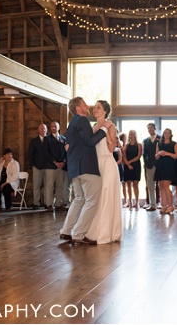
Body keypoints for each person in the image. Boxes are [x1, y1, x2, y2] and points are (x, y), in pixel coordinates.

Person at [59, 97, 109, 244]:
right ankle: (78, 234)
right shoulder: (82, 120)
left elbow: (70, 145)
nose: (87, 106)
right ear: (79, 109)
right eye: (84, 104)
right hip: (87, 167)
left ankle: (66, 231)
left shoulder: (72, 123)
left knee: (79, 199)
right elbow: (90, 141)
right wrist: (104, 129)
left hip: (75, 169)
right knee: (92, 201)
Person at [84, 100, 122, 244]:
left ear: (105, 111)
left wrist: (106, 131)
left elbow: (112, 149)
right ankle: (93, 230)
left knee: (106, 196)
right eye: (95, 107)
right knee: (96, 197)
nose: (95, 109)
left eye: (98, 107)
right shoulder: (93, 127)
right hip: (95, 164)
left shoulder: (111, 126)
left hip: (107, 162)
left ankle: (105, 232)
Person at [28, 123, 58, 210]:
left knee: (47, 185)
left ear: (46, 130)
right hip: (37, 166)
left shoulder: (49, 139)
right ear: (38, 130)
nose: (43, 130)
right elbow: (30, 154)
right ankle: (36, 202)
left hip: (48, 166)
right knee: (36, 185)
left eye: (44, 129)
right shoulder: (34, 141)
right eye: (41, 129)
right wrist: (32, 165)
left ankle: (46, 202)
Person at [153, 129, 177, 214]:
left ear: (170, 134)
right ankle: (164, 206)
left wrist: (167, 153)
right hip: (160, 165)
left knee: (166, 186)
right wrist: (159, 153)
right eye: (165, 133)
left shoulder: (174, 144)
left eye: (168, 133)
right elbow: (156, 156)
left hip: (169, 165)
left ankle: (171, 206)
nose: (166, 134)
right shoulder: (159, 143)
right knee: (161, 186)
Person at [48, 121, 68, 209]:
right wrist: (54, 162)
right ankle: (49, 204)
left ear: (58, 128)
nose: (53, 128)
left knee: (60, 185)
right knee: (50, 185)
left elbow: (66, 152)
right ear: (50, 128)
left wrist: (64, 161)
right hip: (51, 166)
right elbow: (46, 152)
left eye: (55, 126)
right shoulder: (47, 139)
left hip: (62, 166)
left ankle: (58, 204)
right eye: (52, 126)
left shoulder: (63, 139)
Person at [141, 123, 160, 211]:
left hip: (159, 165)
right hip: (149, 166)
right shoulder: (145, 140)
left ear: (155, 128)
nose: (150, 129)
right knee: (150, 185)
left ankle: (162, 204)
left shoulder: (160, 138)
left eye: (151, 128)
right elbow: (144, 154)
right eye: (148, 128)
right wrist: (146, 163)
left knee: (161, 185)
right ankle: (152, 205)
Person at [121, 129, 142, 209]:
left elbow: (139, 156)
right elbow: (124, 155)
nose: (131, 135)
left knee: (135, 184)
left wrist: (130, 162)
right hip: (127, 165)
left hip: (136, 165)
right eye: (130, 134)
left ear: (135, 135)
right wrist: (127, 163)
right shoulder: (126, 145)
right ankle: (130, 201)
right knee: (128, 184)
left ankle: (137, 202)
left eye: (132, 134)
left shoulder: (139, 145)